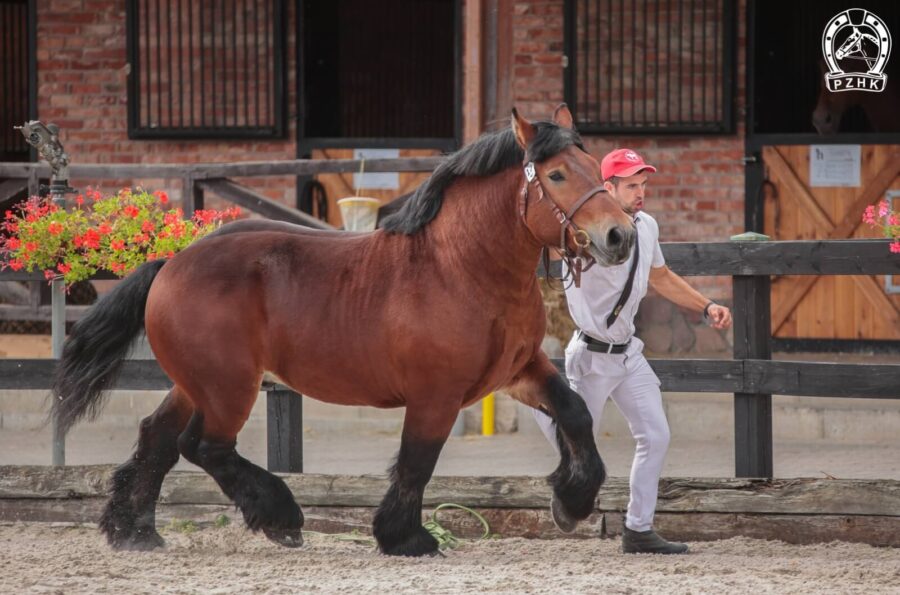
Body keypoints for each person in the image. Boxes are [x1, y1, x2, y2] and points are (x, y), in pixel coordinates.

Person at [533, 148, 733, 554]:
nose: (640, 192)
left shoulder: (647, 227)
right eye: (631, 186)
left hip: (628, 356)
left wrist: (706, 305)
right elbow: (546, 244)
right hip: (590, 356)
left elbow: (661, 276)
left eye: (643, 184)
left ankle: (638, 529)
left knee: (656, 435)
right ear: (608, 187)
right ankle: (534, 400)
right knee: (574, 437)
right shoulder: (581, 231)